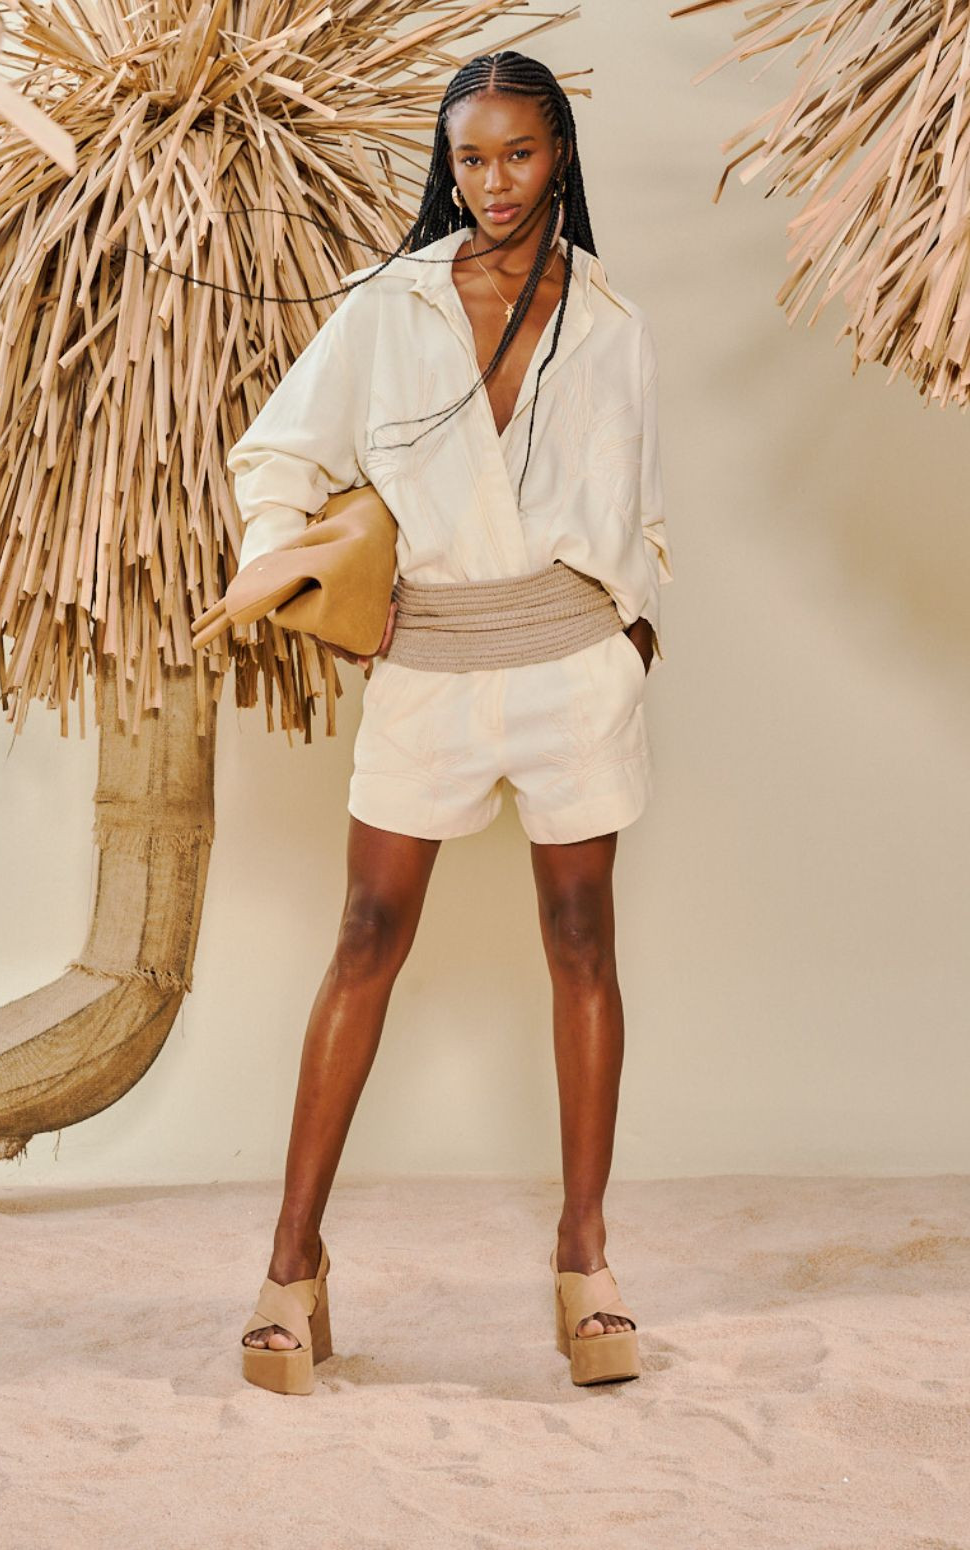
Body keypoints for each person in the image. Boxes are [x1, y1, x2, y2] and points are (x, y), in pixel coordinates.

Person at [229, 49, 674, 1392]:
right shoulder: (391, 305)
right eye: (470, 157)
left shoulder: (612, 320)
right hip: (429, 661)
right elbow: (279, 452)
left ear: (560, 155)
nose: (494, 182)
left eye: (519, 153)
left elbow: (641, 503)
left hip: (571, 669)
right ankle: (292, 1265)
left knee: (582, 939)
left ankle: (585, 1258)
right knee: (367, 932)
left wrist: (633, 633)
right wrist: (289, 576)